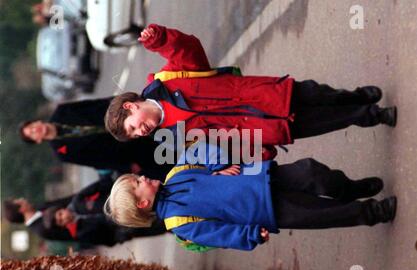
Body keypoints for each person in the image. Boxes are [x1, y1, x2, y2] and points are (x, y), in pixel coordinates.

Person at [105, 24, 397, 161]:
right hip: (264, 128)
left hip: (265, 93)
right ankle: (372, 115)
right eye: (135, 135)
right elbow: (222, 145)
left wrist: (160, 40)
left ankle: (356, 96)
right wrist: (259, 151)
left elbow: (190, 49)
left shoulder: (169, 79)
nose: (140, 132)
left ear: (131, 106)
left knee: (323, 96)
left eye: (133, 126)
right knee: (326, 122)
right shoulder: (174, 137)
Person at [104, 143, 397, 251]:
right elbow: (219, 234)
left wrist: (219, 165)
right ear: (142, 203)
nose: (143, 178)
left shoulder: (174, 175)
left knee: (313, 171)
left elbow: (201, 151)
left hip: (263, 176)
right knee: (323, 213)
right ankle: (373, 213)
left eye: (138, 177)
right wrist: (250, 235)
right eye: (138, 183)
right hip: (267, 210)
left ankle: (352, 188)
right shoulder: (178, 222)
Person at [20, 97, 171, 179]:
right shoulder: (61, 153)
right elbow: (94, 161)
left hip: (122, 122)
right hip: (122, 150)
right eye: (32, 134)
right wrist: (126, 167)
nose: (35, 129)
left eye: (32, 126)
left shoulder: (62, 111)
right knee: (168, 158)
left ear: (37, 121)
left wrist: (115, 102)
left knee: (166, 127)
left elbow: (92, 104)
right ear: (38, 141)